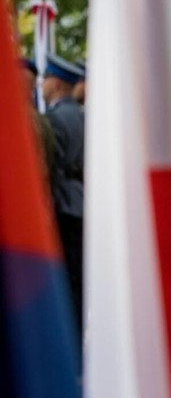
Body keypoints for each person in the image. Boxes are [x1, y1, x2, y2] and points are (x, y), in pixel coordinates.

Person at [41, 53, 85, 334]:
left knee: (66, 280)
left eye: (46, 79)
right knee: (78, 279)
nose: (41, 85)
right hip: (82, 202)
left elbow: (49, 164)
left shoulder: (54, 119)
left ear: (56, 84)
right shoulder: (83, 115)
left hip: (63, 203)